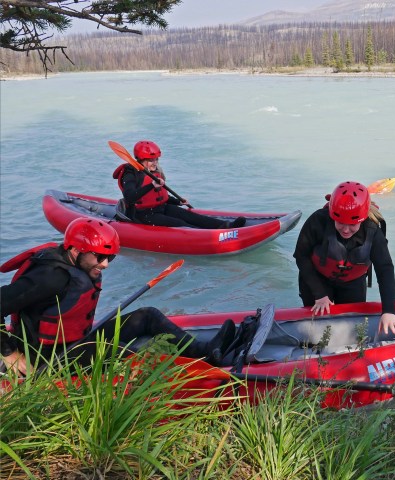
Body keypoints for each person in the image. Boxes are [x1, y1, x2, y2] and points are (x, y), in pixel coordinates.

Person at [0, 218, 236, 375]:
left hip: (73, 344)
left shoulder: (74, 265)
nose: (105, 265)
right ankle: (200, 376)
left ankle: (205, 354)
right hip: (46, 362)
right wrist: (9, 353)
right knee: (124, 351)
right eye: (100, 257)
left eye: (109, 258)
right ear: (75, 250)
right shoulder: (51, 276)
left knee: (147, 316)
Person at [293, 181, 395, 335]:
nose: (345, 229)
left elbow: (384, 268)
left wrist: (389, 311)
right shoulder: (318, 221)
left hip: (353, 282)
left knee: (352, 328)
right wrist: (319, 293)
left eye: (352, 224)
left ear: (362, 218)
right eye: (340, 223)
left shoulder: (373, 231)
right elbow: (301, 255)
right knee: (317, 328)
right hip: (317, 279)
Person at [113, 140, 246, 229]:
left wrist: (177, 201)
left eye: (156, 159)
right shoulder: (130, 173)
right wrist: (151, 185)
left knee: (190, 216)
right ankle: (211, 237)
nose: (154, 163)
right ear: (140, 160)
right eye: (150, 160)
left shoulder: (154, 171)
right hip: (144, 215)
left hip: (162, 207)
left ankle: (227, 226)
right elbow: (130, 197)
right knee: (180, 224)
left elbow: (158, 196)